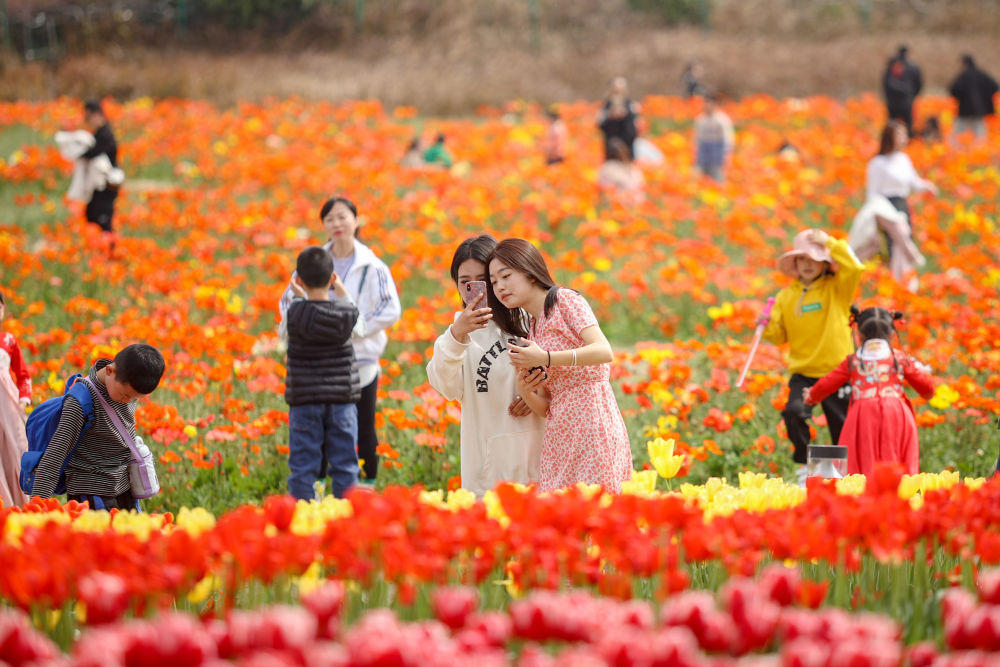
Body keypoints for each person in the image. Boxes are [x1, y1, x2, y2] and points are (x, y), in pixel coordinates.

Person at [486, 238, 632, 493]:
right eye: (494, 282)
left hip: (593, 424)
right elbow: (546, 407)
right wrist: (526, 391)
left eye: (506, 276)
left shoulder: (564, 301)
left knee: (595, 510)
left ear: (529, 272)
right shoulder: (531, 331)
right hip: (559, 437)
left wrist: (547, 358)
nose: (500, 287)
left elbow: (603, 350)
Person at [279, 197, 401, 488]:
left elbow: (390, 309)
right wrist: (345, 321)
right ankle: (343, 494)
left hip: (359, 364)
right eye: (330, 219)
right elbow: (286, 304)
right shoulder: (314, 261)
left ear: (356, 220)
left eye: (342, 217)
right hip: (326, 371)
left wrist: (356, 332)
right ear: (323, 225)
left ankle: (338, 491)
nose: (336, 223)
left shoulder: (372, 265)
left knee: (362, 429)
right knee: (340, 440)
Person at [426, 236, 545, 496]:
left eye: (482, 280)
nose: (476, 289)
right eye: (465, 283)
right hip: (489, 472)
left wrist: (536, 393)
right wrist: (457, 336)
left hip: (542, 458)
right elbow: (444, 385)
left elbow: (565, 373)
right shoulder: (458, 335)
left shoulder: (530, 318)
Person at [762, 229, 864, 485]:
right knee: (794, 413)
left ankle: (845, 477)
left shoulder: (838, 289)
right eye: (802, 260)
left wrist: (829, 243)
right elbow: (778, 336)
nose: (807, 265)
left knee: (841, 426)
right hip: (804, 373)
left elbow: (855, 267)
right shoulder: (786, 296)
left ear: (825, 263)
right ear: (795, 264)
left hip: (838, 371)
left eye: (814, 259)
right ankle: (803, 467)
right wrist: (765, 326)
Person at [30, 344, 165, 509]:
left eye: (135, 398)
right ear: (109, 371)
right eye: (125, 395)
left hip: (124, 486)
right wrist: (36, 507)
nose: (128, 401)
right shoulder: (80, 402)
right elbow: (54, 456)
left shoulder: (128, 382)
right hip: (91, 492)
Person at [805, 306, 934, 475]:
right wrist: (928, 393)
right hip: (896, 412)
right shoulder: (899, 358)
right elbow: (926, 387)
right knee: (896, 458)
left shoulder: (854, 360)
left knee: (863, 461)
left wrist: (812, 396)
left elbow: (827, 383)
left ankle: (864, 495)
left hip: (863, 414)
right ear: (892, 335)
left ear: (858, 335)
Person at [284, 246, 362, 500]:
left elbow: (288, 325)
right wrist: (341, 291)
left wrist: (298, 296)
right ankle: (345, 518)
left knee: (303, 465)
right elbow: (354, 315)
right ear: (332, 279)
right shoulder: (346, 314)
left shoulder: (295, 313)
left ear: (299, 281)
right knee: (345, 464)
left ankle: (302, 516)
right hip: (341, 400)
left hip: (305, 401)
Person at [866, 121, 938, 249]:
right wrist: (873, 217)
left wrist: (928, 186)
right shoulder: (877, 163)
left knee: (905, 242)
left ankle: (904, 269)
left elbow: (914, 182)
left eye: (904, 134)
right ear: (890, 137)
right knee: (892, 244)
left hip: (902, 205)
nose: (904, 138)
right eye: (900, 135)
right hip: (886, 207)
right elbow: (872, 193)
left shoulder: (903, 159)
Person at [0, 291, 31, 508]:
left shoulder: (9, 340)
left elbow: (23, 375)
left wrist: (24, 399)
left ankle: (18, 504)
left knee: (15, 449)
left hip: (8, 403)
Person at [81, 100, 121, 236]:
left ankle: (106, 249)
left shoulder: (105, 135)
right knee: (91, 215)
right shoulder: (98, 134)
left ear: (97, 115)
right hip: (98, 186)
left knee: (102, 221)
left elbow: (91, 153)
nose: (86, 121)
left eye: (88, 117)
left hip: (106, 187)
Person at [949, 54, 999, 142]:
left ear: (964, 63)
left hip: (965, 108)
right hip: (980, 109)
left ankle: (957, 150)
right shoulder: (981, 74)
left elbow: (953, 89)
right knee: (979, 132)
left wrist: (961, 97)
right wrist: (985, 98)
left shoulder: (963, 75)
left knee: (959, 131)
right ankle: (980, 150)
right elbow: (994, 86)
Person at [882, 46, 922, 137]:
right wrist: (912, 96)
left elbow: (885, 84)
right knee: (908, 126)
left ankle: (891, 146)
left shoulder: (891, 66)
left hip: (892, 102)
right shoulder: (913, 66)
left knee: (892, 127)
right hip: (907, 101)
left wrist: (888, 98)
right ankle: (910, 145)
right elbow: (919, 84)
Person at [597, 76, 640, 162]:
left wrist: (627, 116)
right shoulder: (605, 107)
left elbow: (636, 129)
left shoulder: (632, 106)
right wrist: (610, 116)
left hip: (627, 149)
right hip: (611, 149)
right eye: (616, 91)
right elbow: (600, 125)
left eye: (620, 90)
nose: (618, 93)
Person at [694, 93, 734, 181]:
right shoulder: (700, 119)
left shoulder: (722, 120)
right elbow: (697, 140)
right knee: (702, 179)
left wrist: (726, 156)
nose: (707, 106)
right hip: (703, 154)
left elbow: (727, 140)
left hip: (717, 154)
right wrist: (696, 155)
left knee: (717, 179)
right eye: (706, 103)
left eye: (710, 103)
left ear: (716, 105)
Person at [597, 138, 645, 204]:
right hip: (639, 202)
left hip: (621, 203)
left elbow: (601, 188)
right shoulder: (633, 167)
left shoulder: (607, 167)